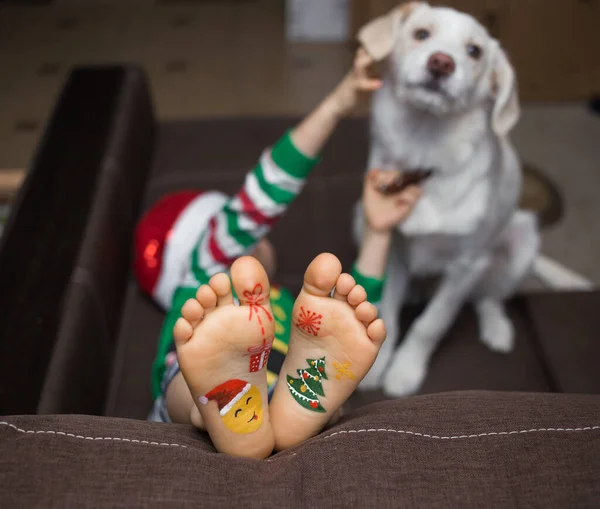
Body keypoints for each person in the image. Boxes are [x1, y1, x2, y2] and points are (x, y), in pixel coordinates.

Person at [134, 49, 422, 458]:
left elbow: (361, 319)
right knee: (188, 382)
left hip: (272, 394)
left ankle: (264, 403)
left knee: (339, 326)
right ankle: (222, 401)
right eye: (235, 232)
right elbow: (263, 195)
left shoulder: (300, 307)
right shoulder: (203, 275)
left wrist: (378, 230)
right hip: (207, 399)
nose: (256, 235)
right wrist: (336, 104)